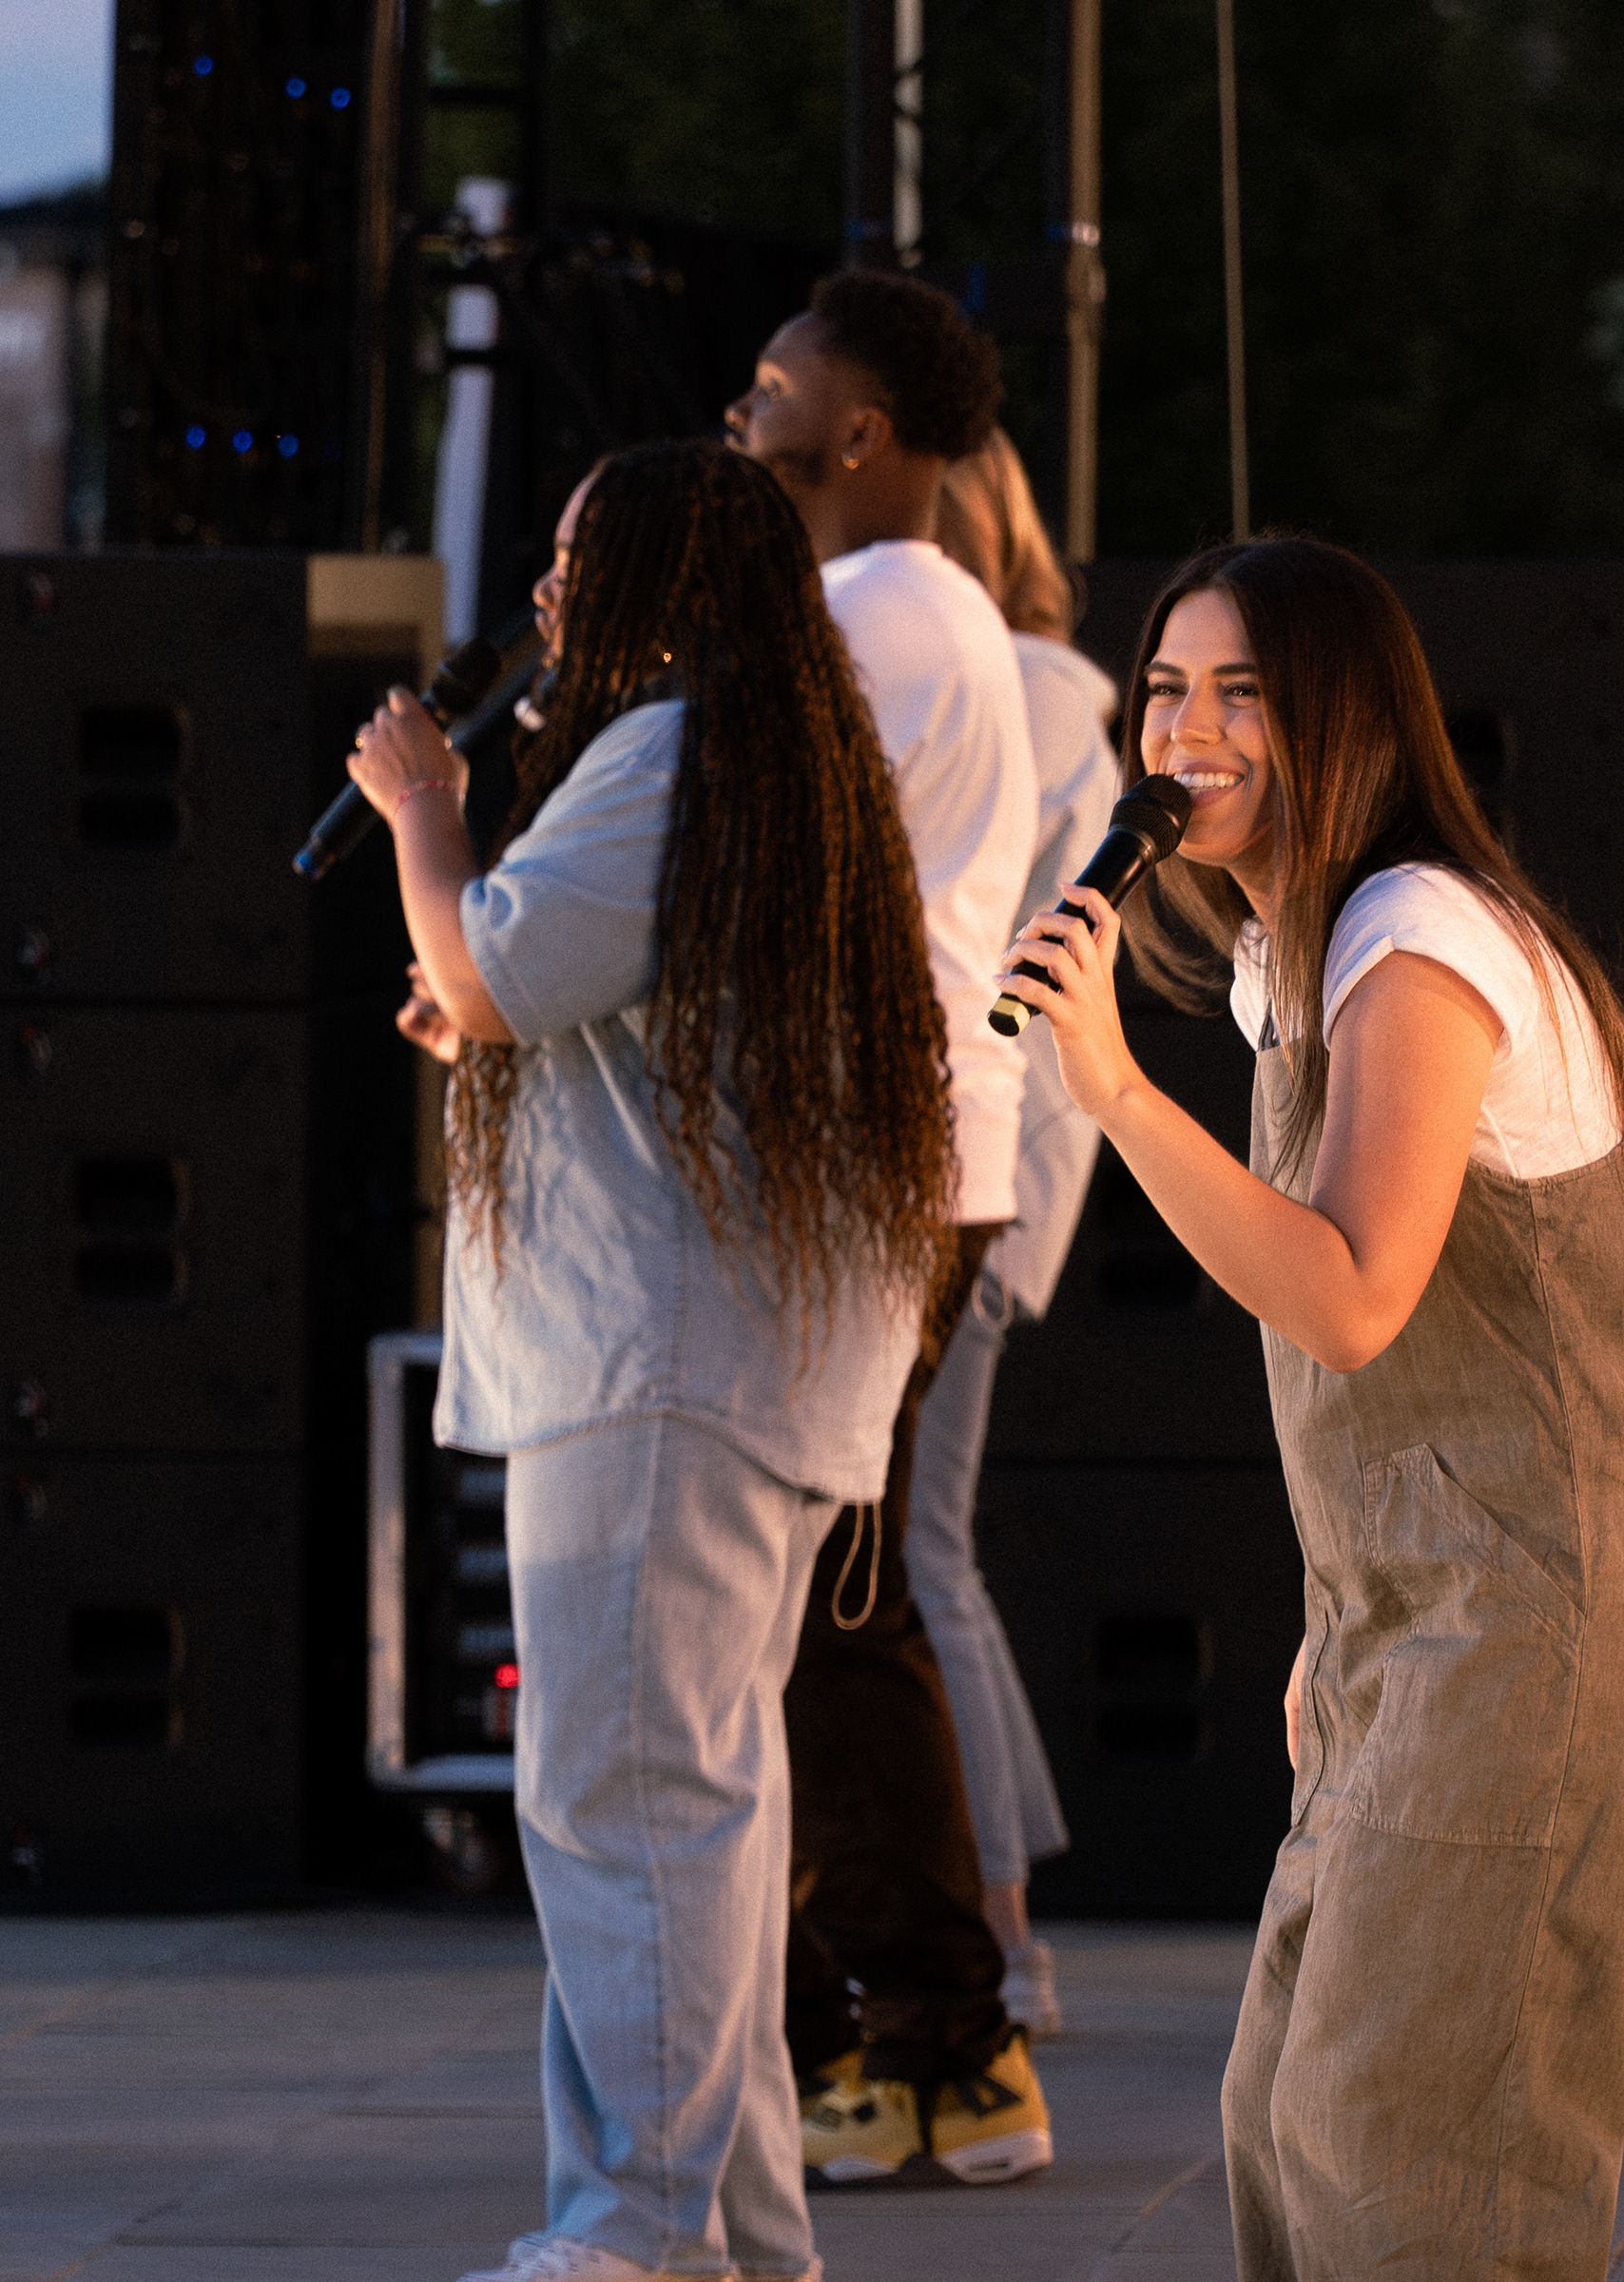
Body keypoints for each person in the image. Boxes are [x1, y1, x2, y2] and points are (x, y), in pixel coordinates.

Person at [993, 535, 1624, 2281]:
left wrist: (1113, 1089)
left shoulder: (1417, 941)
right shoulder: (1301, 961)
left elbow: (1347, 1295)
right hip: (1426, 1624)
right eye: (1166, 690)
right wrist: (1341, 1621)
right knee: (1291, 2114)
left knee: (1408, 2155)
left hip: (1540, 1626)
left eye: (1243, 694)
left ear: (1348, 719)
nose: (1187, 733)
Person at [348, 439, 956, 2282]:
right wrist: (480, 989)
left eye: (575, 555)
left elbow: (488, 970)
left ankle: (646, 2228)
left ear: (662, 585)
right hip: (723, 1361)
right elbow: (561, 1006)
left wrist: (424, 812)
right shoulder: (761, 762)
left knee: (630, 1806)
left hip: (657, 1368)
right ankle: (736, 2234)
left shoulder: (664, 755)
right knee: (695, 1815)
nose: (546, 591)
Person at [725, 271, 1052, 2186]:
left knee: (831, 1617)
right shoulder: (917, 611)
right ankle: (905, 2039)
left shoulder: (875, 614)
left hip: (875, 1170)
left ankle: (940, 2039)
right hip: (897, 1163)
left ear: (858, 431)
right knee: (826, 1609)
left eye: (777, 381)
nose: (745, 401)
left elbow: (730, 846)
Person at [909, 425, 1126, 2038]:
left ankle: (996, 1942)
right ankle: (989, 1933)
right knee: (914, 1557)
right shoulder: (1037, 700)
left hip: (955, 1185)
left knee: (916, 1558)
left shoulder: (1018, 700)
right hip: (970, 1180)